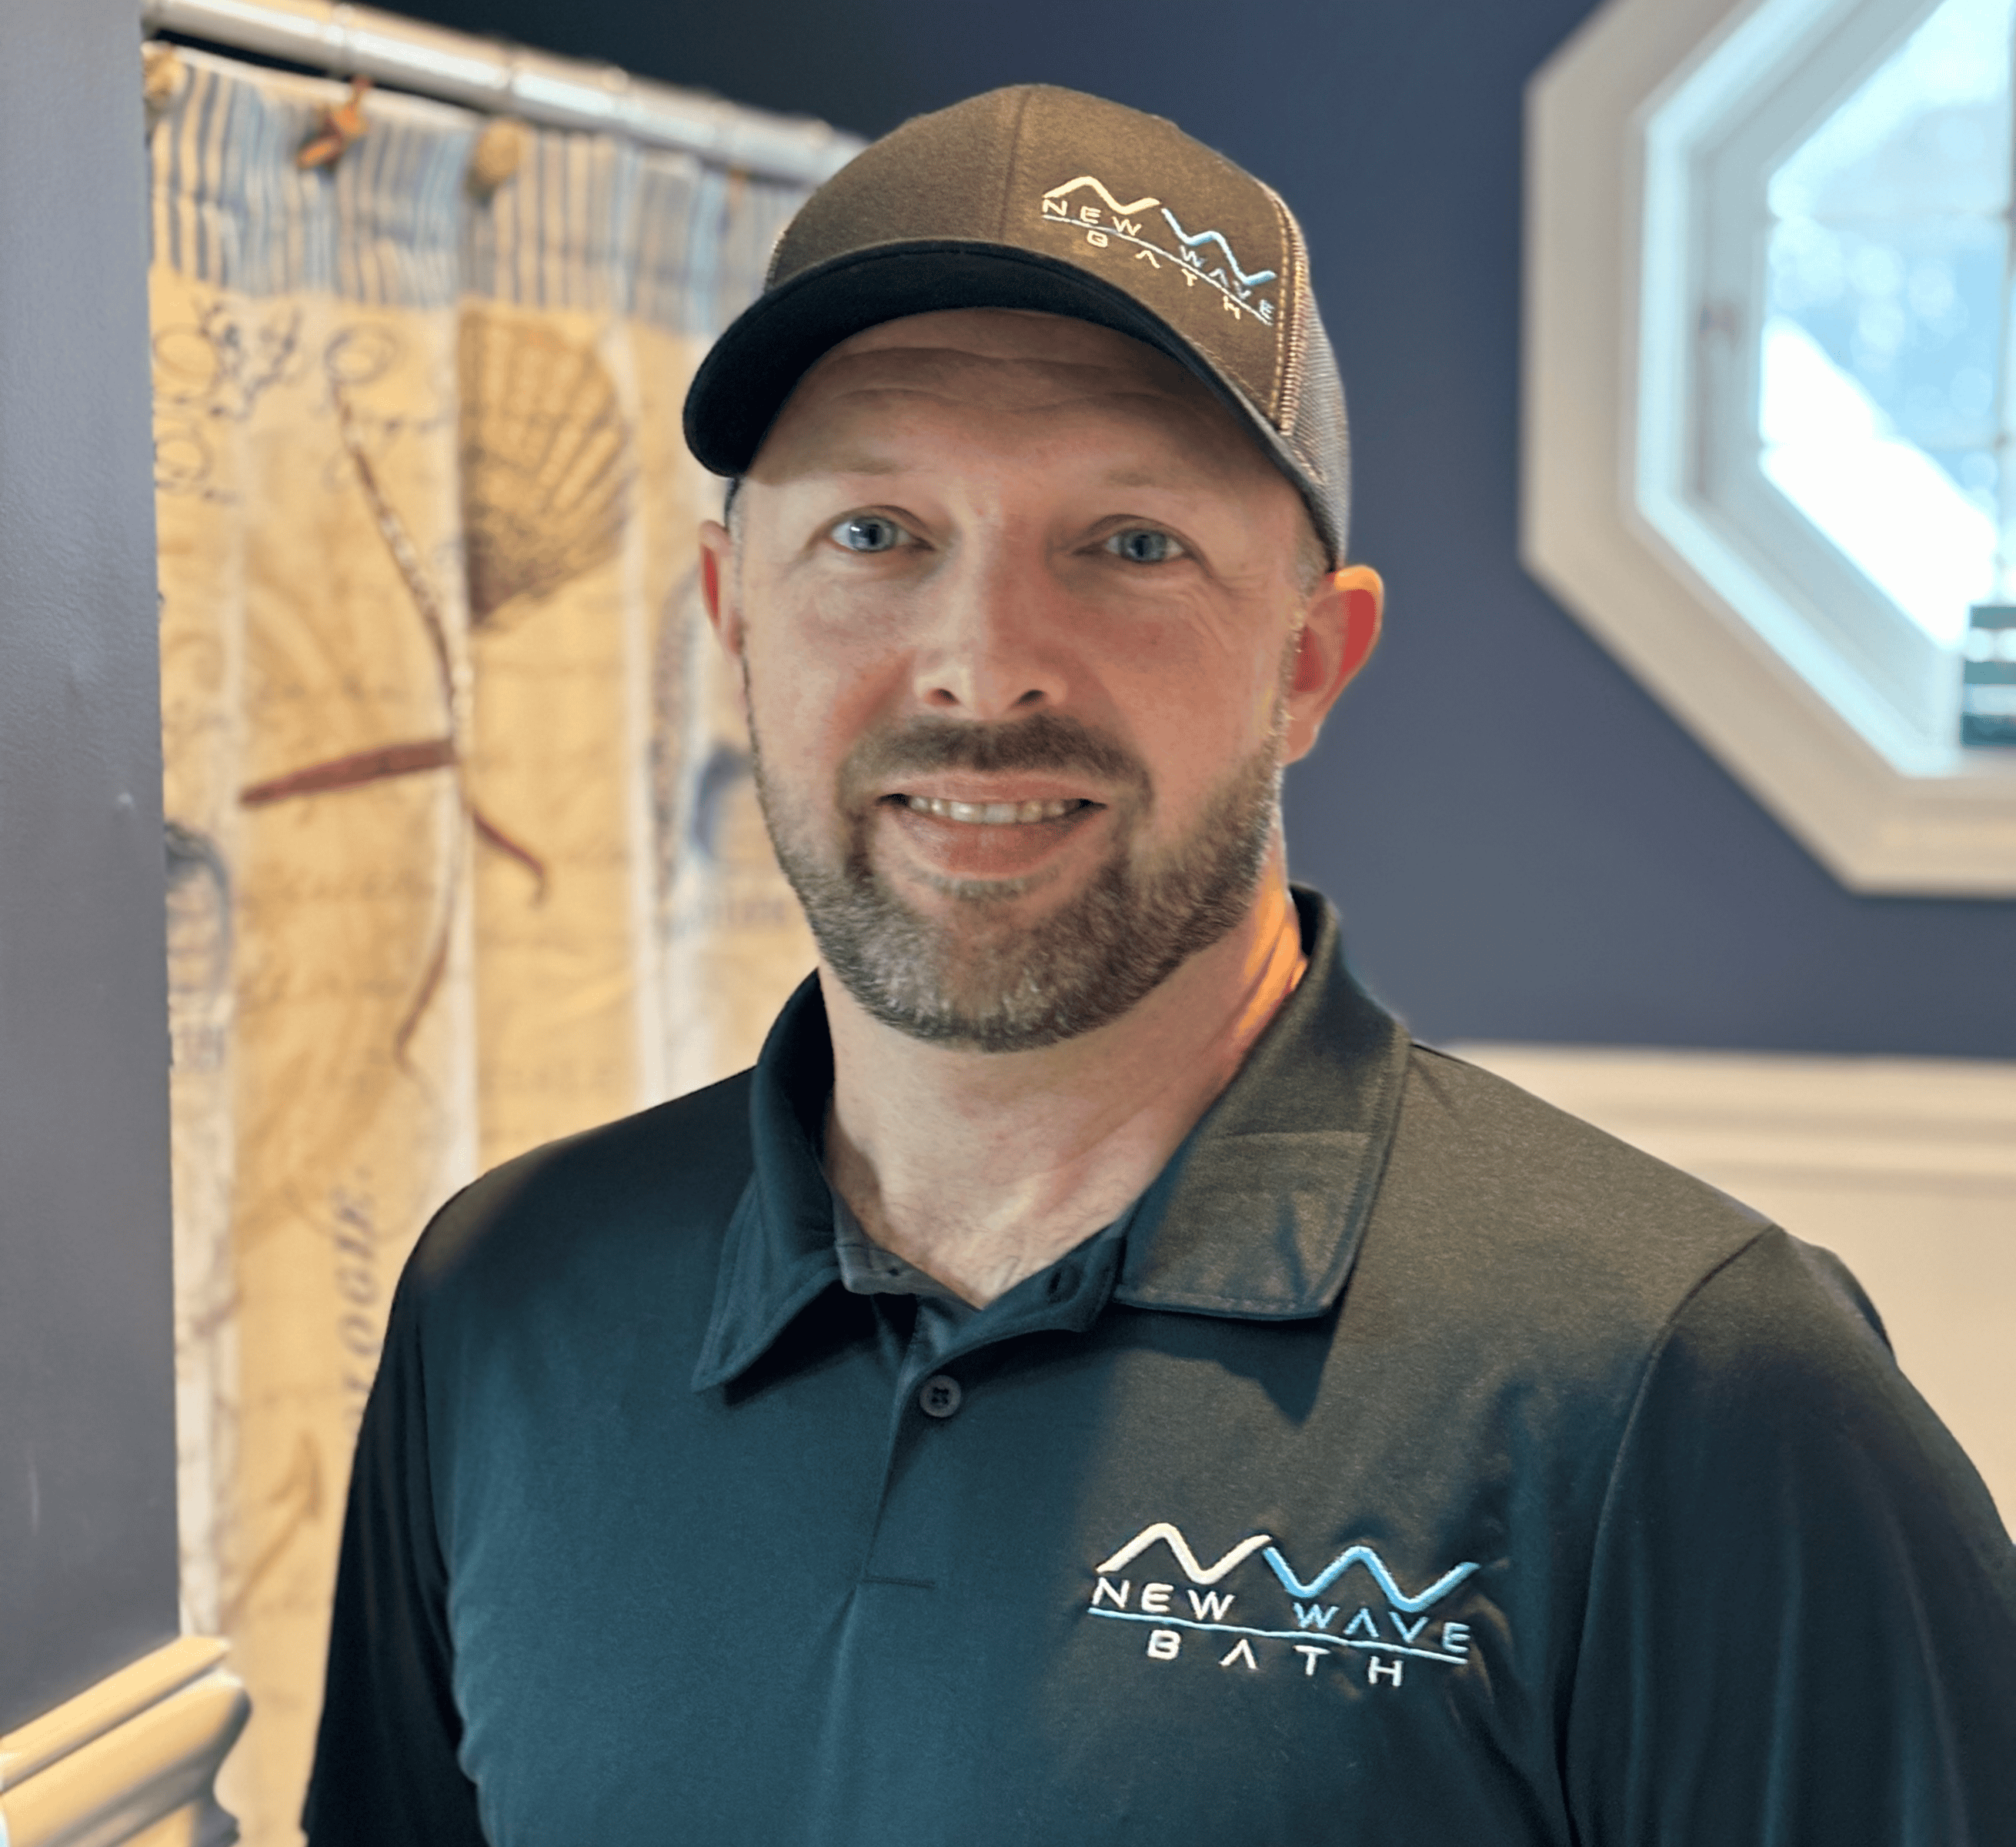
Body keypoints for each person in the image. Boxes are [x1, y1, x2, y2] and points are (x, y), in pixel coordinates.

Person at [304, 85, 2016, 1844]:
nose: (980, 666)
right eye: (874, 533)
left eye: (1130, 545)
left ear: (1308, 661)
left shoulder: (1683, 1384)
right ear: (732, 607)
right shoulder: (505, 1300)